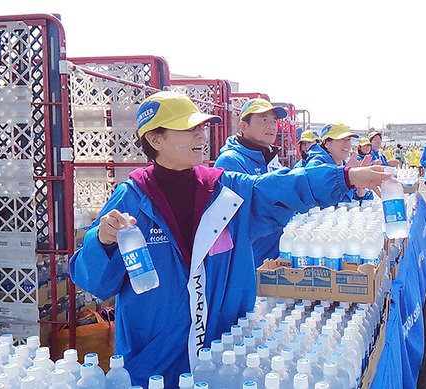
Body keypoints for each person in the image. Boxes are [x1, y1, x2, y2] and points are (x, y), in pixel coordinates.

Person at [69, 91, 389, 387]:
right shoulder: (131, 199)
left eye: (202, 128)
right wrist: (104, 240)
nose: (200, 135)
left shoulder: (225, 191)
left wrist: (343, 177)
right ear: (155, 139)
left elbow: (279, 187)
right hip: (155, 362)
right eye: (187, 129)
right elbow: (95, 282)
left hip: (225, 358)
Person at [213, 97, 288, 263]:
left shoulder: (270, 159)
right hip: (248, 262)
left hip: (272, 258)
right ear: (243, 127)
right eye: (263, 120)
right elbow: (248, 216)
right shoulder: (230, 161)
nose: (271, 126)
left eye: (274, 121)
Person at [305, 123, 373, 201]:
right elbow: (323, 199)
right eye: (341, 139)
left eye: (348, 139)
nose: (347, 144)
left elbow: (357, 197)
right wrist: (346, 176)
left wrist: (360, 182)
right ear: (326, 143)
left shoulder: (342, 163)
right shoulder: (315, 165)